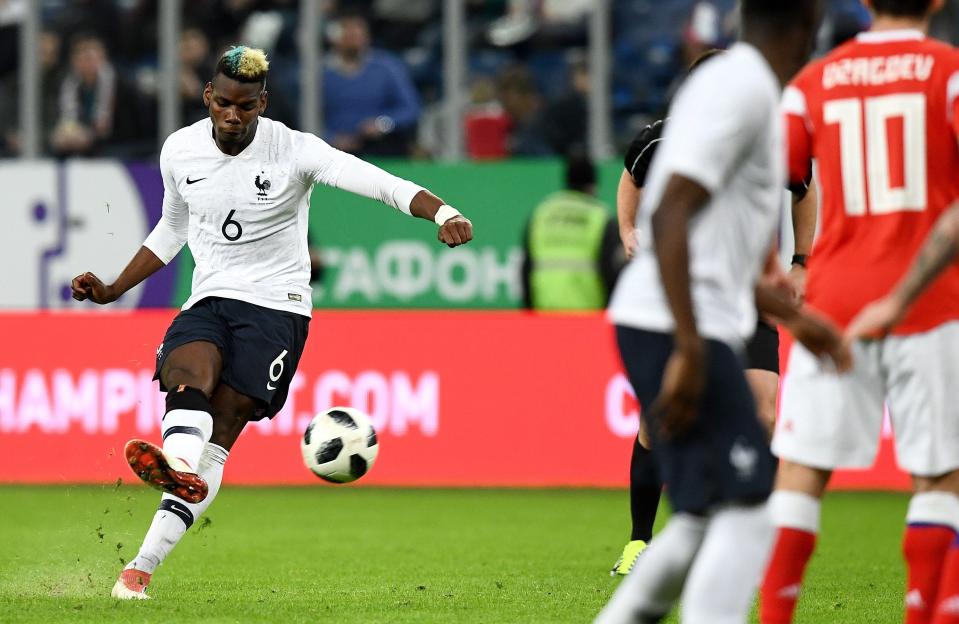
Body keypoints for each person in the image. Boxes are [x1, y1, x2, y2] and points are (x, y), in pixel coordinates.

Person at [70, 45, 473, 600]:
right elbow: (172, 227)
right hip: (209, 297)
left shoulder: (296, 151)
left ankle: (141, 564)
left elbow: (377, 181)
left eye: (246, 107)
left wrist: (443, 211)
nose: (233, 117)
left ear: (263, 103)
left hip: (276, 309)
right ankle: (177, 469)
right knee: (187, 377)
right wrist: (115, 287)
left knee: (223, 429)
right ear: (208, 97)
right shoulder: (180, 151)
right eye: (224, 105)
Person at [594, 2, 836, 622]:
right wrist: (695, 348)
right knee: (749, 503)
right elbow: (670, 212)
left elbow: (707, 239)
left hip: (684, 313)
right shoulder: (750, 91)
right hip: (677, 319)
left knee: (706, 511)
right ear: (803, 27)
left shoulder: (742, 100)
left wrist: (798, 315)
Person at [761, 2, 959, 623]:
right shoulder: (950, 72)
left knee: (800, 471)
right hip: (930, 305)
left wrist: (789, 305)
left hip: (833, 307)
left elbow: (753, 195)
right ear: (935, 2)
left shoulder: (811, 85)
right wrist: (898, 298)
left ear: (867, 2)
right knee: (938, 477)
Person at [520, 154, 623, 310]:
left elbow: (526, 268)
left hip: (544, 316)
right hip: (588, 318)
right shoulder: (600, 217)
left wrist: (529, 312)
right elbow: (612, 272)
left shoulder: (541, 213)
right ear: (592, 186)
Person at [323, 10, 422, 157]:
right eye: (349, 36)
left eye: (358, 35)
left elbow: (411, 108)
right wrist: (331, 138)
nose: (354, 40)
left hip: (380, 147)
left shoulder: (387, 67)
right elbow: (306, 116)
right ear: (336, 39)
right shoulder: (321, 73)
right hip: (333, 151)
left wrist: (382, 123)